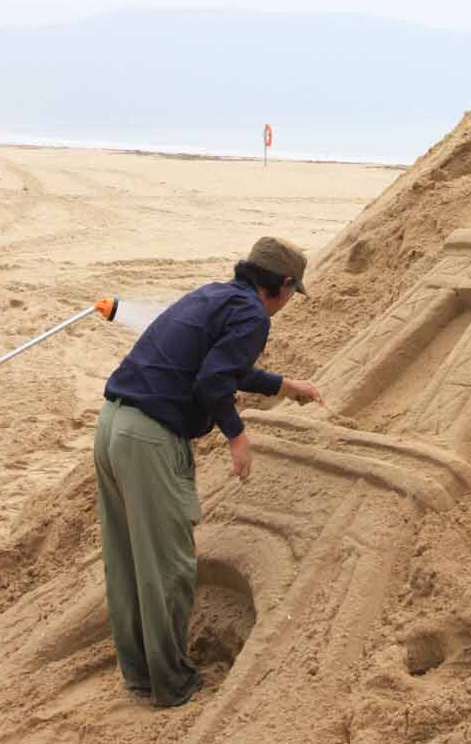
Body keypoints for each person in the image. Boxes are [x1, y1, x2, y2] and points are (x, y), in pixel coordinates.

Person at [95, 237, 324, 708]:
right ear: (283, 285)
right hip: (150, 438)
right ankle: (172, 684)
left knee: (127, 558)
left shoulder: (214, 294)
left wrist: (285, 385)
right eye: (291, 292)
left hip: (113, 425)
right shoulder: (253, 315)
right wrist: (237, 436)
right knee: (168, 565)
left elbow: (222, 366)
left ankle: (141, 676)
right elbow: (213, 380)